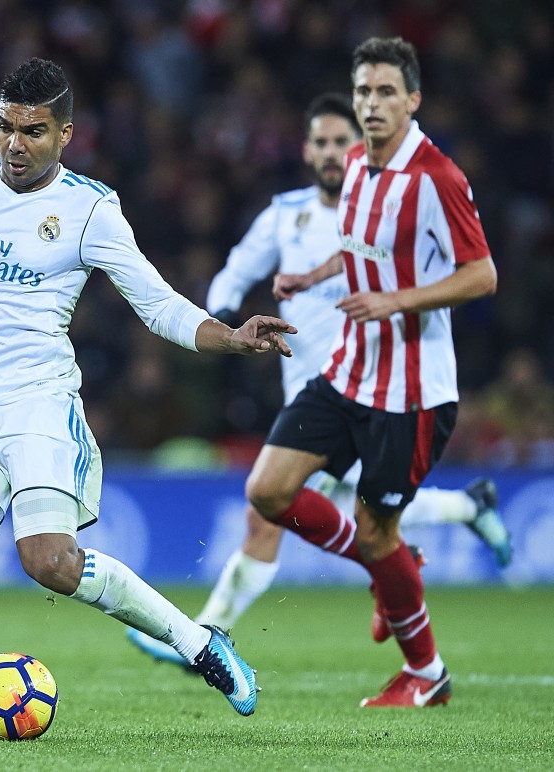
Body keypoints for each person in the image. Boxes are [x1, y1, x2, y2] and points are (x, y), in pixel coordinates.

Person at [0, 57, 297, 740]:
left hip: (39, 406)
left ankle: (200, 643)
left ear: (65, 135)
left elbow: (155, 304)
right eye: (5, 128)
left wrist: (232, 337)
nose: (13, 145)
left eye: (32, 131)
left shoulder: (90, 208)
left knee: (48, 562)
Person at [126, 93, 512, 665]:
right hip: (314, 396)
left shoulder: (384, 206)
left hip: (375, 389)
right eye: (322, 142)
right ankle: (459, 515)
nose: (333, 153)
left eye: (342, 141)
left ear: (359, 145)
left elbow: (457, 265)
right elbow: (235, 270)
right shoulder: (286, 214)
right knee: (321, 509)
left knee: (310, 512)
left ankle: (202, 638)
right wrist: (226, 313)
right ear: (306, 151)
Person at [240, 37, 496, 708]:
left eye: (385, 92)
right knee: (267, 490)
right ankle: (390, 566)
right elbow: (359, 248)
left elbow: (482, 274)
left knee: (376, 524)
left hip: (411, 396)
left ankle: (427, 672)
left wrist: (396, 300)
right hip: (348, 371)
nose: (372, 104)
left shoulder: (438, 178)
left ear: (413, 100)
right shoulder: (355, 162)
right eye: (363, 92)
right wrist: (313, 274)